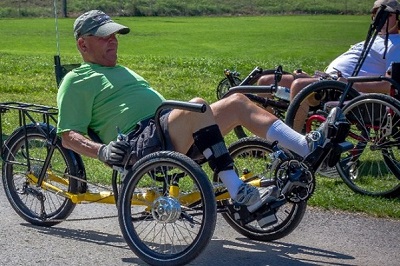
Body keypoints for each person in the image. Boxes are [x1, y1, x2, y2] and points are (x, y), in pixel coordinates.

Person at [56, 10, 330, 213]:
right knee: (197, 105)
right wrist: (102, 151)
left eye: (114, 35)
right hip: (140, 144)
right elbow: (67, 135)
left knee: (237, 101)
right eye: (105, 37)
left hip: (165, 130)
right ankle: (238, 191)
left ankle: (305, 147)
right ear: (83, 44)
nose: (113, 41)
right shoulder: (76, 80)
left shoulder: (119, 70)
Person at [257, 0, 400, 111]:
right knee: (265, 81)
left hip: (342, 88)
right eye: (377, 14)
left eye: (388, 15)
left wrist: (350, 83)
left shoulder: (396, 43)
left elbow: (389, 85)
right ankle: (271, 132)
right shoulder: (372, 40)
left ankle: (293, 142)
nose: (381, 18)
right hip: (327, 79)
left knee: (299, 85)